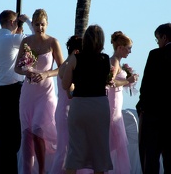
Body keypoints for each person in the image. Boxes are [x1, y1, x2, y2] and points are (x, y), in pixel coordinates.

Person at [14, 8, 64, 174]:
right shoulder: (26, 42)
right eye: (36, 24)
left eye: (42, 24)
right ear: (33, 24)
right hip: (28, 93)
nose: (39, 27)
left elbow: (62, 68)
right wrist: (26, 71)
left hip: (46, 94)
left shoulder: (53, 42)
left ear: (47, 24)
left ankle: (42, 170)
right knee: (27, 134)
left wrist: (46, 74)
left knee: (37, 129)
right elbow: (17, 68)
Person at [62, 24, 113, 174]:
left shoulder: (76, 59)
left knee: (75, 150)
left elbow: (65, 84)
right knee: (100, 151)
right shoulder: (105, 59)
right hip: (99, 105)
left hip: (80, 105)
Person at [0, 10, 33, 174]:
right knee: (13, 134)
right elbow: (36, 38)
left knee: (0, 133)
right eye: (16, 22)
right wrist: (27, 20)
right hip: (13, 90)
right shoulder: (11, 39)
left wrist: (19, 28)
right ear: (12, 22)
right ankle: (9, 169)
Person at [136, 23, 171, 174]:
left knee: (150, 158)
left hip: (153, 114)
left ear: (164, 37)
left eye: (157, 38)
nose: (157, 42)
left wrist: (141, 107)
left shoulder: (155, 55)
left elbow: (146, 85)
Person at [49, 35, 82, 174]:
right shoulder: (69, 66)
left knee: (66, 149)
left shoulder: (64, 65)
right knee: (63, 150)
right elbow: (69, 91)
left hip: (63, 110)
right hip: (65, 112)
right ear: (77, 51)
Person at [105, 31, 138, 174]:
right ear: (120, 47)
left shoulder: (117, 61)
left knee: (117, 143)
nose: (130, 51)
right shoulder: (114, 61)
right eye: (128, 48)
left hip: (116, 104)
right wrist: (127, 81)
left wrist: (127, 82)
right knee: (115, 141)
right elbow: (110, 82)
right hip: (112, 106)